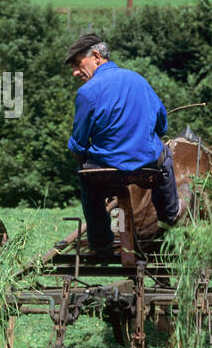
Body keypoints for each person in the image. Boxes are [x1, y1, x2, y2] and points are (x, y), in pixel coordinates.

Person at [65, 32, 180, 252]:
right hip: (146, 166)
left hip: (105, 168)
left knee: (86, 179)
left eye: (78, 64)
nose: (75, 73)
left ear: (96, 56)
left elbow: (78, 143)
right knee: (165, 157)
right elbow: (162, 126)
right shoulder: (139, 80)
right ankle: (169, 215)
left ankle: (100, 242)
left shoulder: (87, 92)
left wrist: (81, 158)